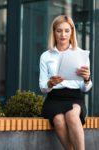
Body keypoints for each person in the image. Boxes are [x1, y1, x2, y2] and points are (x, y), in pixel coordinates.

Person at [39, 15, 92, 150]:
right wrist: (50, 83)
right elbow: (42, 87)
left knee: (72, 115)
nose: (63, 35)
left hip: (74, 98)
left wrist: (87, 79)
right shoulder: (46, 56)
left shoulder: (81, 54)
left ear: (72, 32)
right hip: (54, 98)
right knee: (58, 120)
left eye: (67, 31)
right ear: (54, 32)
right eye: (59, 30)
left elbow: (85, 89)